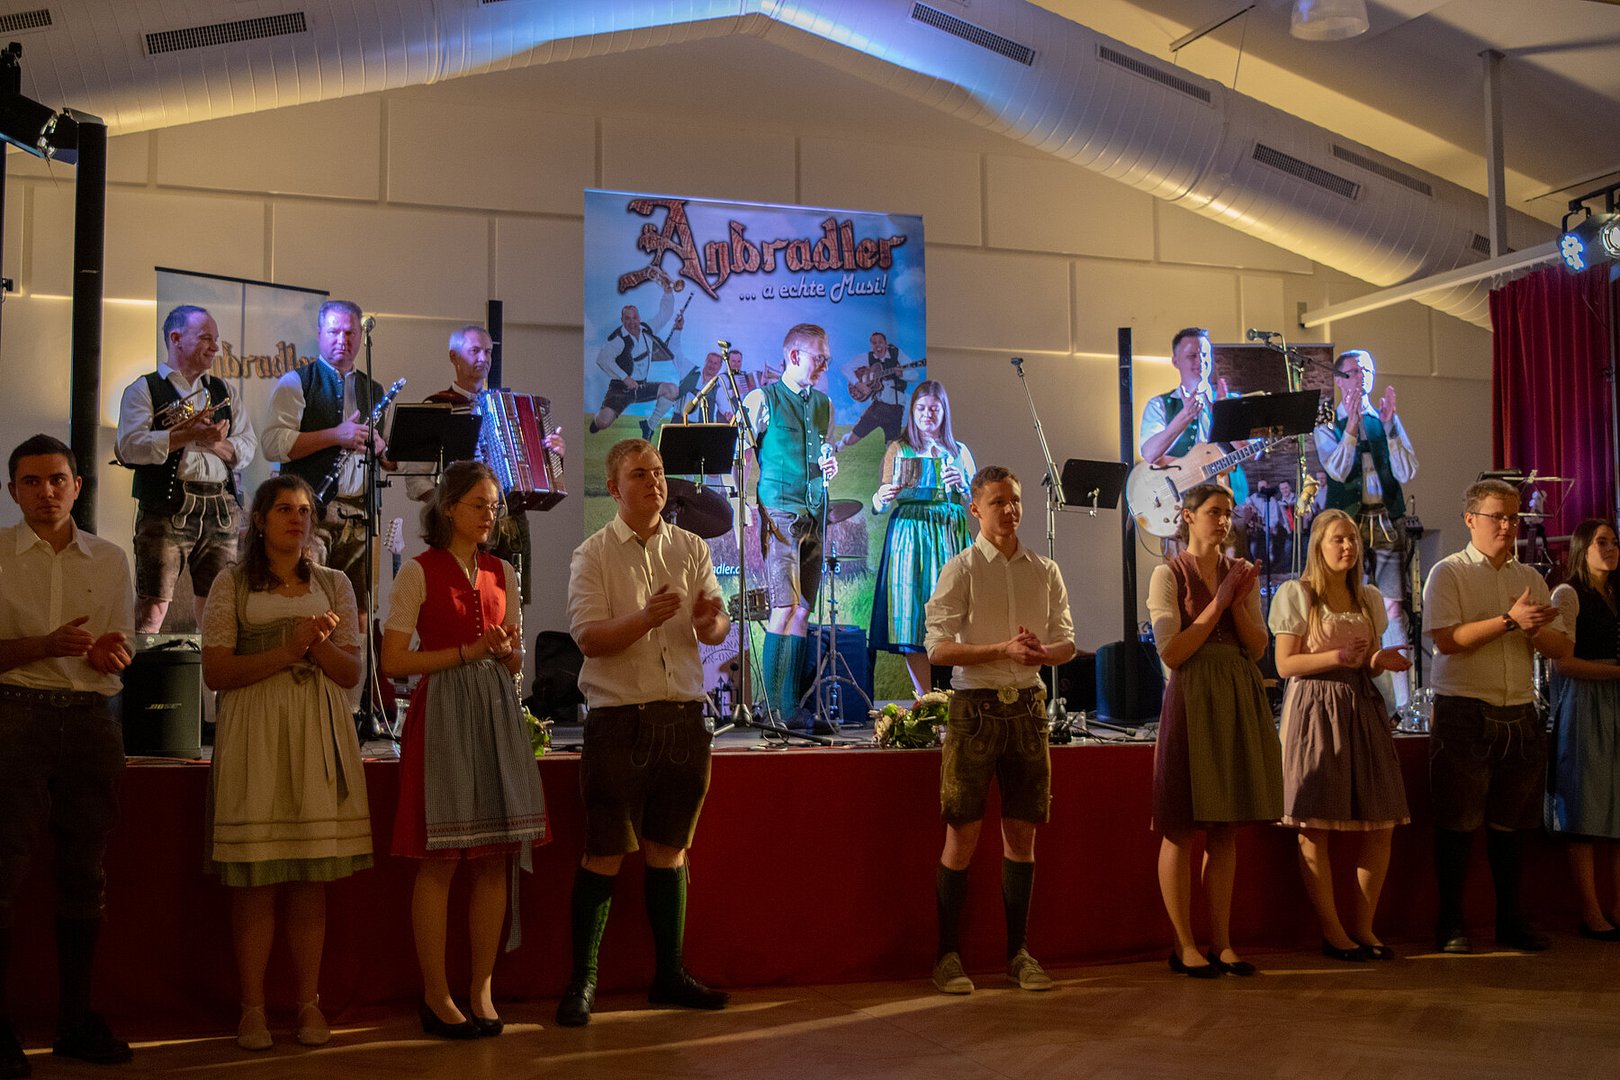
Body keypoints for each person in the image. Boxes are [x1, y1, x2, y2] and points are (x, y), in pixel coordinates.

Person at [557, 438, 732, 1027]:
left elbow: (715, 625)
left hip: (683, 717)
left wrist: (711, 621)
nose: (655, 482)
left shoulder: (691, 547)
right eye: (640, 474)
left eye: (658, 472)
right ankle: (582, 981)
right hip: (619, 721)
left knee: (670, 850)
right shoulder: (592, 554)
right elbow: (588, 638)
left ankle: (670, 975)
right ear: (613, 488)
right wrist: (645, 618)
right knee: (604, 851)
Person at [200, 475, 372, 1051]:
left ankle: (307, 1003)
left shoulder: (334, 583)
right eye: (283, 509)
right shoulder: (231, 582)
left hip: (317, 732)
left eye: (303, 510)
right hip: (255, 733)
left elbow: (350, 674)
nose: (297, 518)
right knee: (256, 878)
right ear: (259, 520)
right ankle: (252, 1008)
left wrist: (316, 645)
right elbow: (216, 672)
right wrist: (287, 649)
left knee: (307, 878)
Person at [381, 461, 548, 1039]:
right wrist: (466, 653)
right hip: (444, 714)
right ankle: (435, 992)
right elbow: (393, 661)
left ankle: (481, 988)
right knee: (442, 859)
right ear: (449, 507)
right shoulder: (419, 572)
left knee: (493, 856)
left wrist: (505, 653)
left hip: (494, 711)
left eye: (494, 506)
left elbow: (516, 659)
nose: (489, 515)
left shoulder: (503, 571)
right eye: (479, 504)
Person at [0, 434, 136, 1073]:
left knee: (86, 873)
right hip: (14, 717)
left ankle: (76, 1020)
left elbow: (121, 647)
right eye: (31, 481)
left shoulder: (109, 559)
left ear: (78, 486)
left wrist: (113, 654)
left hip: (91, 720)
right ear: (12, 491)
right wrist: (43, 645)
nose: (46, 492)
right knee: (3, 874)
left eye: (57, 479)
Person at [923, 466, 1074, 995]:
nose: (1010, 511)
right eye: (998, 502)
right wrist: (1001, 650)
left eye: (1015, 501)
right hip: (975, 710)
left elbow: (1067, 641)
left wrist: (1041, 654)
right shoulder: (960, 569)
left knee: (1022, 836)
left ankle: (1019, 954)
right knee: (962, 835)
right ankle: (947, 957)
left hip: (1028, 708)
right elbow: (937, 649)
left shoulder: (1045, 569)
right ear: (975, 510)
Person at [1422, 478, 1570, 954]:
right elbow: (1446, 640)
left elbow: (1560, 649)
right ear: (1470, 520)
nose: (1507, 526)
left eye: (1512, 517)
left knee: (1511, 824)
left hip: (1519, 709)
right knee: (1458, 821)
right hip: (1464, 709)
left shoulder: (1530, 577)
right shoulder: (1448, 572)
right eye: (1497, 517)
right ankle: (1450, 922)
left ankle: (1510, 920)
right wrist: (1509, 621)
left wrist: (1532, 630)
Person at [1148, 482, 1281, 978]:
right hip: (1192, 696)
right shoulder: (1168, 573)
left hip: (1236, 693)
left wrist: (1238, 602)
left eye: (1228, 512)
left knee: (1225, 828)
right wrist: (1220, 601)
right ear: (1187, 516)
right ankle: (1184, 944)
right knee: (1181, 825)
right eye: (1213, 512)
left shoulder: (1239, 572)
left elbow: (1257, 646)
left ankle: (1222, 942)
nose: (1223, 521)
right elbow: (1173, 651)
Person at [1269, 509, 1411, 962]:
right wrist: (1336, 657)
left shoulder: (1367, 597)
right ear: (1318, 545)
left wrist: (1378, 661)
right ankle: (1334, 932)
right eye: (1338, 539)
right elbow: (1285, 665)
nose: (1348, 546)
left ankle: (1364, 927)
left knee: (1382, 819)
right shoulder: (1298, 594)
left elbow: (1364, 659)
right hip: (1315, 707)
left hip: (1361, 705)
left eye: (1352, 539)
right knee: (1315, 825)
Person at [116, 304, 257, 632]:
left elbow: (247, 448)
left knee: (218, 609)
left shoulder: (225, 391)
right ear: (176, 338)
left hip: (220, 506)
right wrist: (187, 434)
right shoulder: (144, 389)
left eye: (216, 339)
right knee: (152, 608)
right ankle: (144, 666)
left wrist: (211, 442)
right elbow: (128, 447)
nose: (215, 347)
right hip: (167, 505)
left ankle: (213, 668)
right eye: (206, 338)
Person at [404, 323, 565, 604]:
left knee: (511, 606)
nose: (483, 358)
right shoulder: (438, 407)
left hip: (510, 524)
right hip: (460, 528)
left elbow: (530, 469)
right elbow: (415, 479)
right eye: (475, 351)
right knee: (463, 605)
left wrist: (554, 455)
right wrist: (450, 506)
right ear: (454, 356)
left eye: (488, 352)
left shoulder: (508, 406)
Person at [261, 299, 391, 615]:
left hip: (361, 514)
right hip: (312, 514)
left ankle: (357, 651)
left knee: (359, 611)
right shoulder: (297, 382)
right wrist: (336, 435)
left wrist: (380, 448)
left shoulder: (374, 389)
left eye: (350, 333)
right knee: (305, 603)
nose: (342, 340)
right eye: (334, 332)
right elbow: (273, 444)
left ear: (360, 336)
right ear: (319, 334)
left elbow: (388, 460)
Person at [740, 323, 839, 730]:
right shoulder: (762, 398)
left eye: (827, 359)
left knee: (802, 611)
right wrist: (742, 504)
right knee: (783, 607)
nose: (824, 365)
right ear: (795, 356)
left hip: (815, 510)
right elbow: (740, 454)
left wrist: (829, 465)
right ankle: (770, 710)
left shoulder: (824, 404)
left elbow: (821, 450)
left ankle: (789, 707)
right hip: (780, 512)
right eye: (819, 358)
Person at [1314, 349, 1419, 706]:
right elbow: (1337, 470)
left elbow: (1407, 471)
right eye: (1355, 371)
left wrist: (1390, 428)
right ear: (1339, 380)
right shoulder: (1327, 423)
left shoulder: (1384, 418)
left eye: (1367, 371)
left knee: (1393, 608)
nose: (1363, 377)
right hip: (1347, 526)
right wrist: (1351, 428)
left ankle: (1402, 702)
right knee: (1348, 605)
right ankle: (1354, 693)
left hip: (1387, 521)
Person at [870, 381, 976, 698]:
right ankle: (926, 696)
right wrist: (883, 496)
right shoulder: (899, 449)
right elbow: (880, 501)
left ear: (944, 412)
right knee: (913, 614)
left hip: (948, 532)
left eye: (934, 408)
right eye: (921, 408)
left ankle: (957, 692)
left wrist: (964, 485)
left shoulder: (959, 451)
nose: (927, 414)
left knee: (955, 610)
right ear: (912, 412)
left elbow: (978, 502)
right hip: (910, 536)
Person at [1542, 519, 1620, 941]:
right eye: (1600, 542)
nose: (1610, 549)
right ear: (1581, 548)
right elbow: (1564, 663)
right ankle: (1590, 910)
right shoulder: (1568, 594)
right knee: (1585, 807)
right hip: (1587, 702)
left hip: (1615, 699)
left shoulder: (1616, 593)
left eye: (1614, 542)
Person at [590, 289, 683, 440]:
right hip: (621, 389)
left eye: (634, 318)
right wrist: (625, 378)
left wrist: (667, 292)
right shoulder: (618, 339)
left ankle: (649, 426)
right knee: (603, 422)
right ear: (622, 320)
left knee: (672, 390)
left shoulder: (647, 330)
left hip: (641, 386)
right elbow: (602, 359)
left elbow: (664, 314)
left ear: (639, 318)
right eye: (627, 318)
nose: (632, 322)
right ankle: (596, 421)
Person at [834, 331, 919, 451]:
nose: (877, 345)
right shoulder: (868, 357)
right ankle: (840, 444)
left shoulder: (897, 354)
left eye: (880, 342)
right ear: (871, 346)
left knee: (892, 448)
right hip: (878, 407)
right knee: (851, 440)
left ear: (886, 344)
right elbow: (845, 368)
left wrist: (902, 374)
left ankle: (888, 463)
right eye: (874, 343)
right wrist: (858, 384)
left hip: (896, 409)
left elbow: (914, 375)